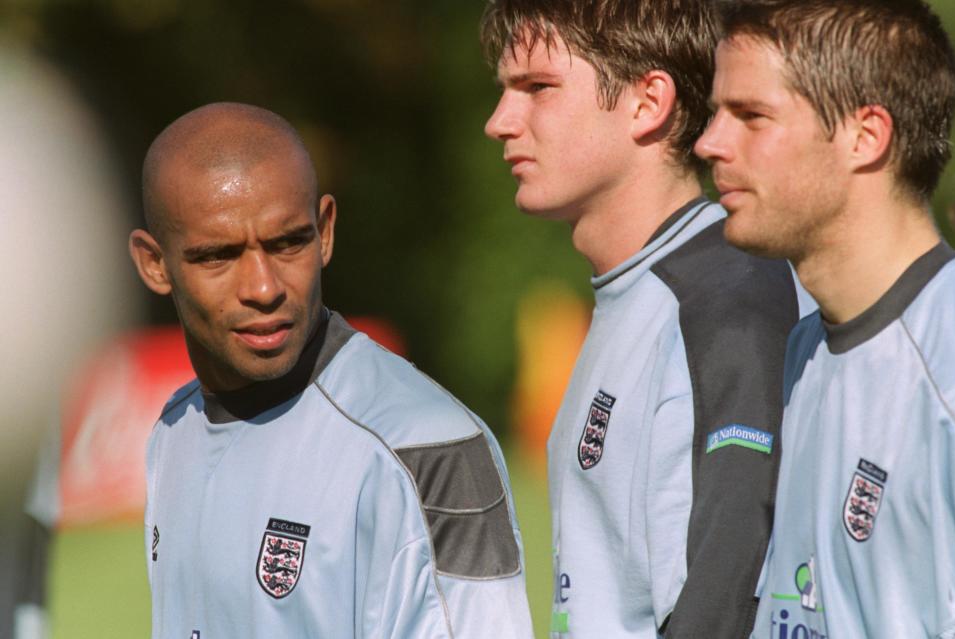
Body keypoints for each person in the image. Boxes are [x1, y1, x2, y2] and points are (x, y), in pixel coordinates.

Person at [128, 102, 534, 639]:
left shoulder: (426, 449)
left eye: (288, 242)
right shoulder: (171, 434)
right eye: (219, 256)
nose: (264, 287)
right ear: (155, 264)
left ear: (325, 232)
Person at [481, 1, 812, 636]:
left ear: (647, 102)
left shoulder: (730, 301)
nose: (500, 121)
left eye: (538, 87)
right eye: (505, 91)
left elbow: (725, 608)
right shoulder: (636, 294)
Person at [695, 1, 955, 637]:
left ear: (865, 136)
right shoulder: (808, 349)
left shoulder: (947, 360)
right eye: (714, 114)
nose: (709, 143)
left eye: (751, 116)